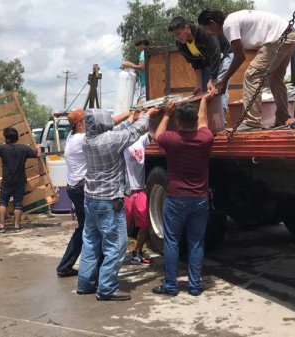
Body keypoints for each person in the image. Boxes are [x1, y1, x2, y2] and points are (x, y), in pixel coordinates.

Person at [77, 106, 160, 301]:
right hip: (109, 201)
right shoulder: (110, 140)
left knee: (90, 243)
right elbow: (134, 131)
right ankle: (107, 288)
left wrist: (131, 115)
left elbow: (116, 127)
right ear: (102, 125)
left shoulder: (87, 140)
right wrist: (148, 115)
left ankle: (85, 284)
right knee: (116, 244)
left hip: (91, 200)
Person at [153, 93, 216, 297]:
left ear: (178, 123)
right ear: (196, 122)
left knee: (171, 241)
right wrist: (204, 100)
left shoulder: (172, 139)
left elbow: (157, 135)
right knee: (196, 242)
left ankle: (171, 286)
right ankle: (195, 286)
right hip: (200, 199)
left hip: (176, 198)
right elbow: (205, 121)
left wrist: (166, 114)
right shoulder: (205, 139)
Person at [198, 9, 295, 131]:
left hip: (278, 37)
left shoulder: (228, 25)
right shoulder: (233, 19)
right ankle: (283, 118)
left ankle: (251, 122)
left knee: (251, 75)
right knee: (275, 78)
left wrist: (224, 80)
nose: (209, 34)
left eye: (207, 30)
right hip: (289, 35)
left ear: (212, 23)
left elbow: (240, 56)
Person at [168, 16, 233, 116]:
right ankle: (209, 120)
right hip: (208, 61)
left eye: (178, 34)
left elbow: (216, 54)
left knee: (218, 86)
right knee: (204, 90)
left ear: (187, 28)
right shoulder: (181, 44)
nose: (177, 38)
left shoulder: (203, 31)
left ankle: (220, 119)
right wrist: (198, 83)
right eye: (174, 36)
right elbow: (196, 63)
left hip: (224, 55)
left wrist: (212, 79)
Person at [0, 127, 41, 233]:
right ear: (17, 137)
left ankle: (2, 226)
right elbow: (38, 155)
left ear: (7, 139)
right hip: (20, 182)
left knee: (3, 203)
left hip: (6, 181)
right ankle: (17, 226)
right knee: (18, 204)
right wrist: (38, 147)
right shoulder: (24, 148)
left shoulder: (3, 148)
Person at [56, 109, 87, 278]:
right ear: (80, 124)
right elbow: (106, 127)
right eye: (87, 121)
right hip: (81, 189)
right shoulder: (82, 139)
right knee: (88, 228)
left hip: (75, 187)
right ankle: (87, 268)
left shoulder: (71, 137)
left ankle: (65, 265)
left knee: (84, 227)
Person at [124, 132, 152, 265]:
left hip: (140, 189)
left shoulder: (142, 138)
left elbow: (153, 131)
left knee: (145, 224)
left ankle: (137, 251)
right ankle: (114, 254)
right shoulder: (122, 139)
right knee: (123, 226)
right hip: (126, 191)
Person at [122, 37, 150, 102]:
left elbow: (142, 67)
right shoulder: (149, 52)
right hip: (148, 84)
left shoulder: (143, 53)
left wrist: (129, 65)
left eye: (138, 45)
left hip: (145, 85)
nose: (137, 48)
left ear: (142, 44)